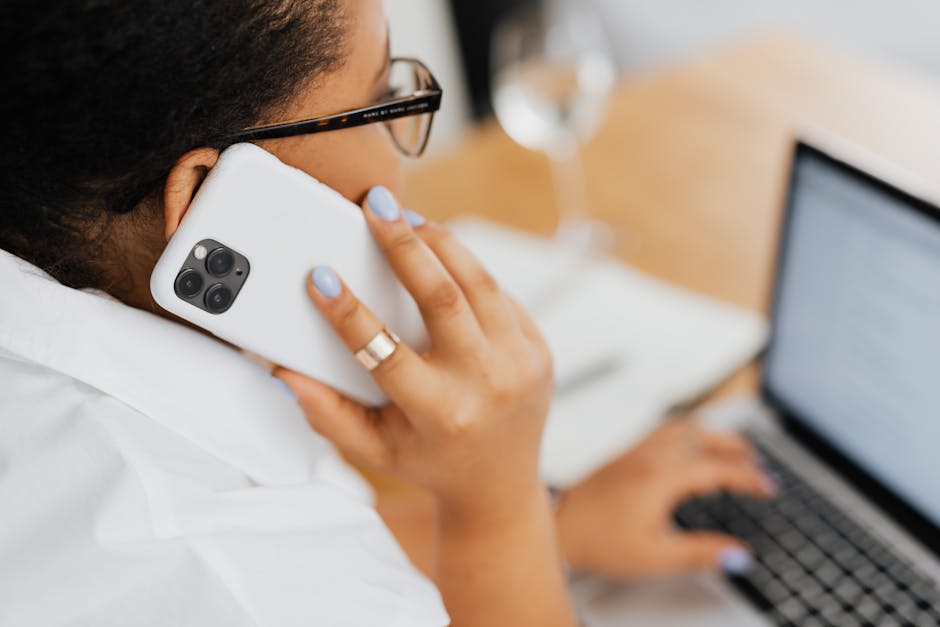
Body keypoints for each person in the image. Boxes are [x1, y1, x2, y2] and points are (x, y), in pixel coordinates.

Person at [0, 1, 776, 625]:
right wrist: (498, 507)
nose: (401, 148)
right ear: (205, 201)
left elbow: (309, 541)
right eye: (378, 101)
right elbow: (296, 575)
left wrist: (554, 525)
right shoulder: (240, 584)